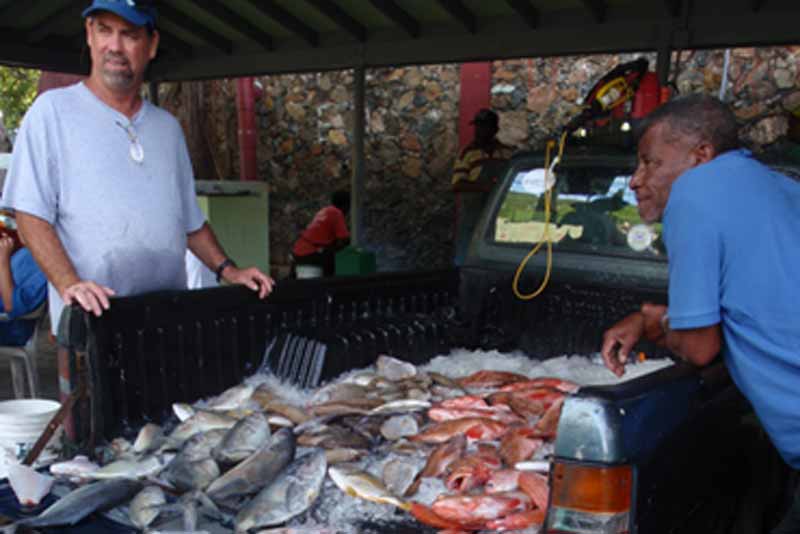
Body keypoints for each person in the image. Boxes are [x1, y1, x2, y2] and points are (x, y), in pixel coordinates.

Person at [1, 0, 274, 334]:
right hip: (92, 325)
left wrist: (229, 270)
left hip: (164, 320)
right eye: (104, 30)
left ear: (152, 45)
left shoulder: (167, 128)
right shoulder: (51, 113)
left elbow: (190, 223)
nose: (114, 46)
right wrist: (70, 283)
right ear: (89, 34)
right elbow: (30, 215)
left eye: (129, 34)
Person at [599, 95, 800, 533]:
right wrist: (653, 320)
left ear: (701, 154)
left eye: (650, 162)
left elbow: (699, 347)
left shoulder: (695, 192)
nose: (635, 179)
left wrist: (657, 325)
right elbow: (761, 299)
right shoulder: (783, 188)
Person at [451, 109, 514, 264]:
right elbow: (457, 184)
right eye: (478, 126)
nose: (479, 131)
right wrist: (485, 187)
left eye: (484, 126)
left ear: (495, 129)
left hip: (499, 217)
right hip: (472, 215)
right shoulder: (467, 153)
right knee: (465, 255)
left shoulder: (507, 153)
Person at [0, 211, 47, 346]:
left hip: (10, 327)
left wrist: (3, 260)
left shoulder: (45, 265)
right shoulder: (27, 252)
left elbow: (12, 306)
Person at [291, 190, 351, 277]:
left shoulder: (324, 210)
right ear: (345, 205)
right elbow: (344, 239)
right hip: (310, 253)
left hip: (299, 251)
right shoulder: (337, 213)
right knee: (336, 258)